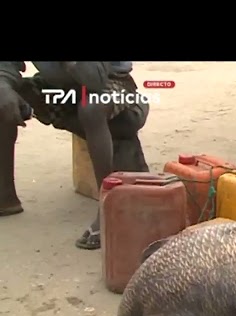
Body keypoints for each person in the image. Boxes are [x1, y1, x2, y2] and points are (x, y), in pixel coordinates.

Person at [0, 61, 150, 249]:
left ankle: (107, 207)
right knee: (3, 97)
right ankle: (5, 196)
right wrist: (3, 85)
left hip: (114, 88)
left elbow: (94, 79)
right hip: (62, 89)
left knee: (92, 107)